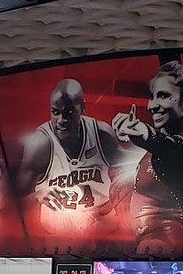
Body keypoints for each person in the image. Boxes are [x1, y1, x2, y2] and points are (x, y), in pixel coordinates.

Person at [15, 78, 135, 251]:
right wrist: (37, 195)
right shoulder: (40, 144)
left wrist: (139, 140)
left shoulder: (101, 133)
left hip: (102, 226)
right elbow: (14, 201)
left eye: (69, 112)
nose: (61, 119)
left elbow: (134, 168)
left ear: (83, 108)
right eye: (55, 112)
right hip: (60, 233)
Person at [113, 61, 183, 252]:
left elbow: (167, 147)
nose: (151, 106)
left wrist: (143, 134)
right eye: (152, 97)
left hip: (158, 245)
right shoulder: (168, 144)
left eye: (163, 96)